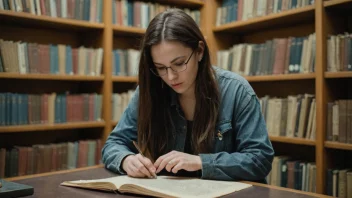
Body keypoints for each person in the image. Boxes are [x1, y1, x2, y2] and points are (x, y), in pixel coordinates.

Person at [102, 8, 274, 183]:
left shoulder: (237, 90)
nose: (171, 77)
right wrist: (126, 160)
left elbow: (260, 159)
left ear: (199, 51)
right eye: (161, 68)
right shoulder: (150, 91)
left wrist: (201, 162)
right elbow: (113, 144)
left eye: (179, 63)